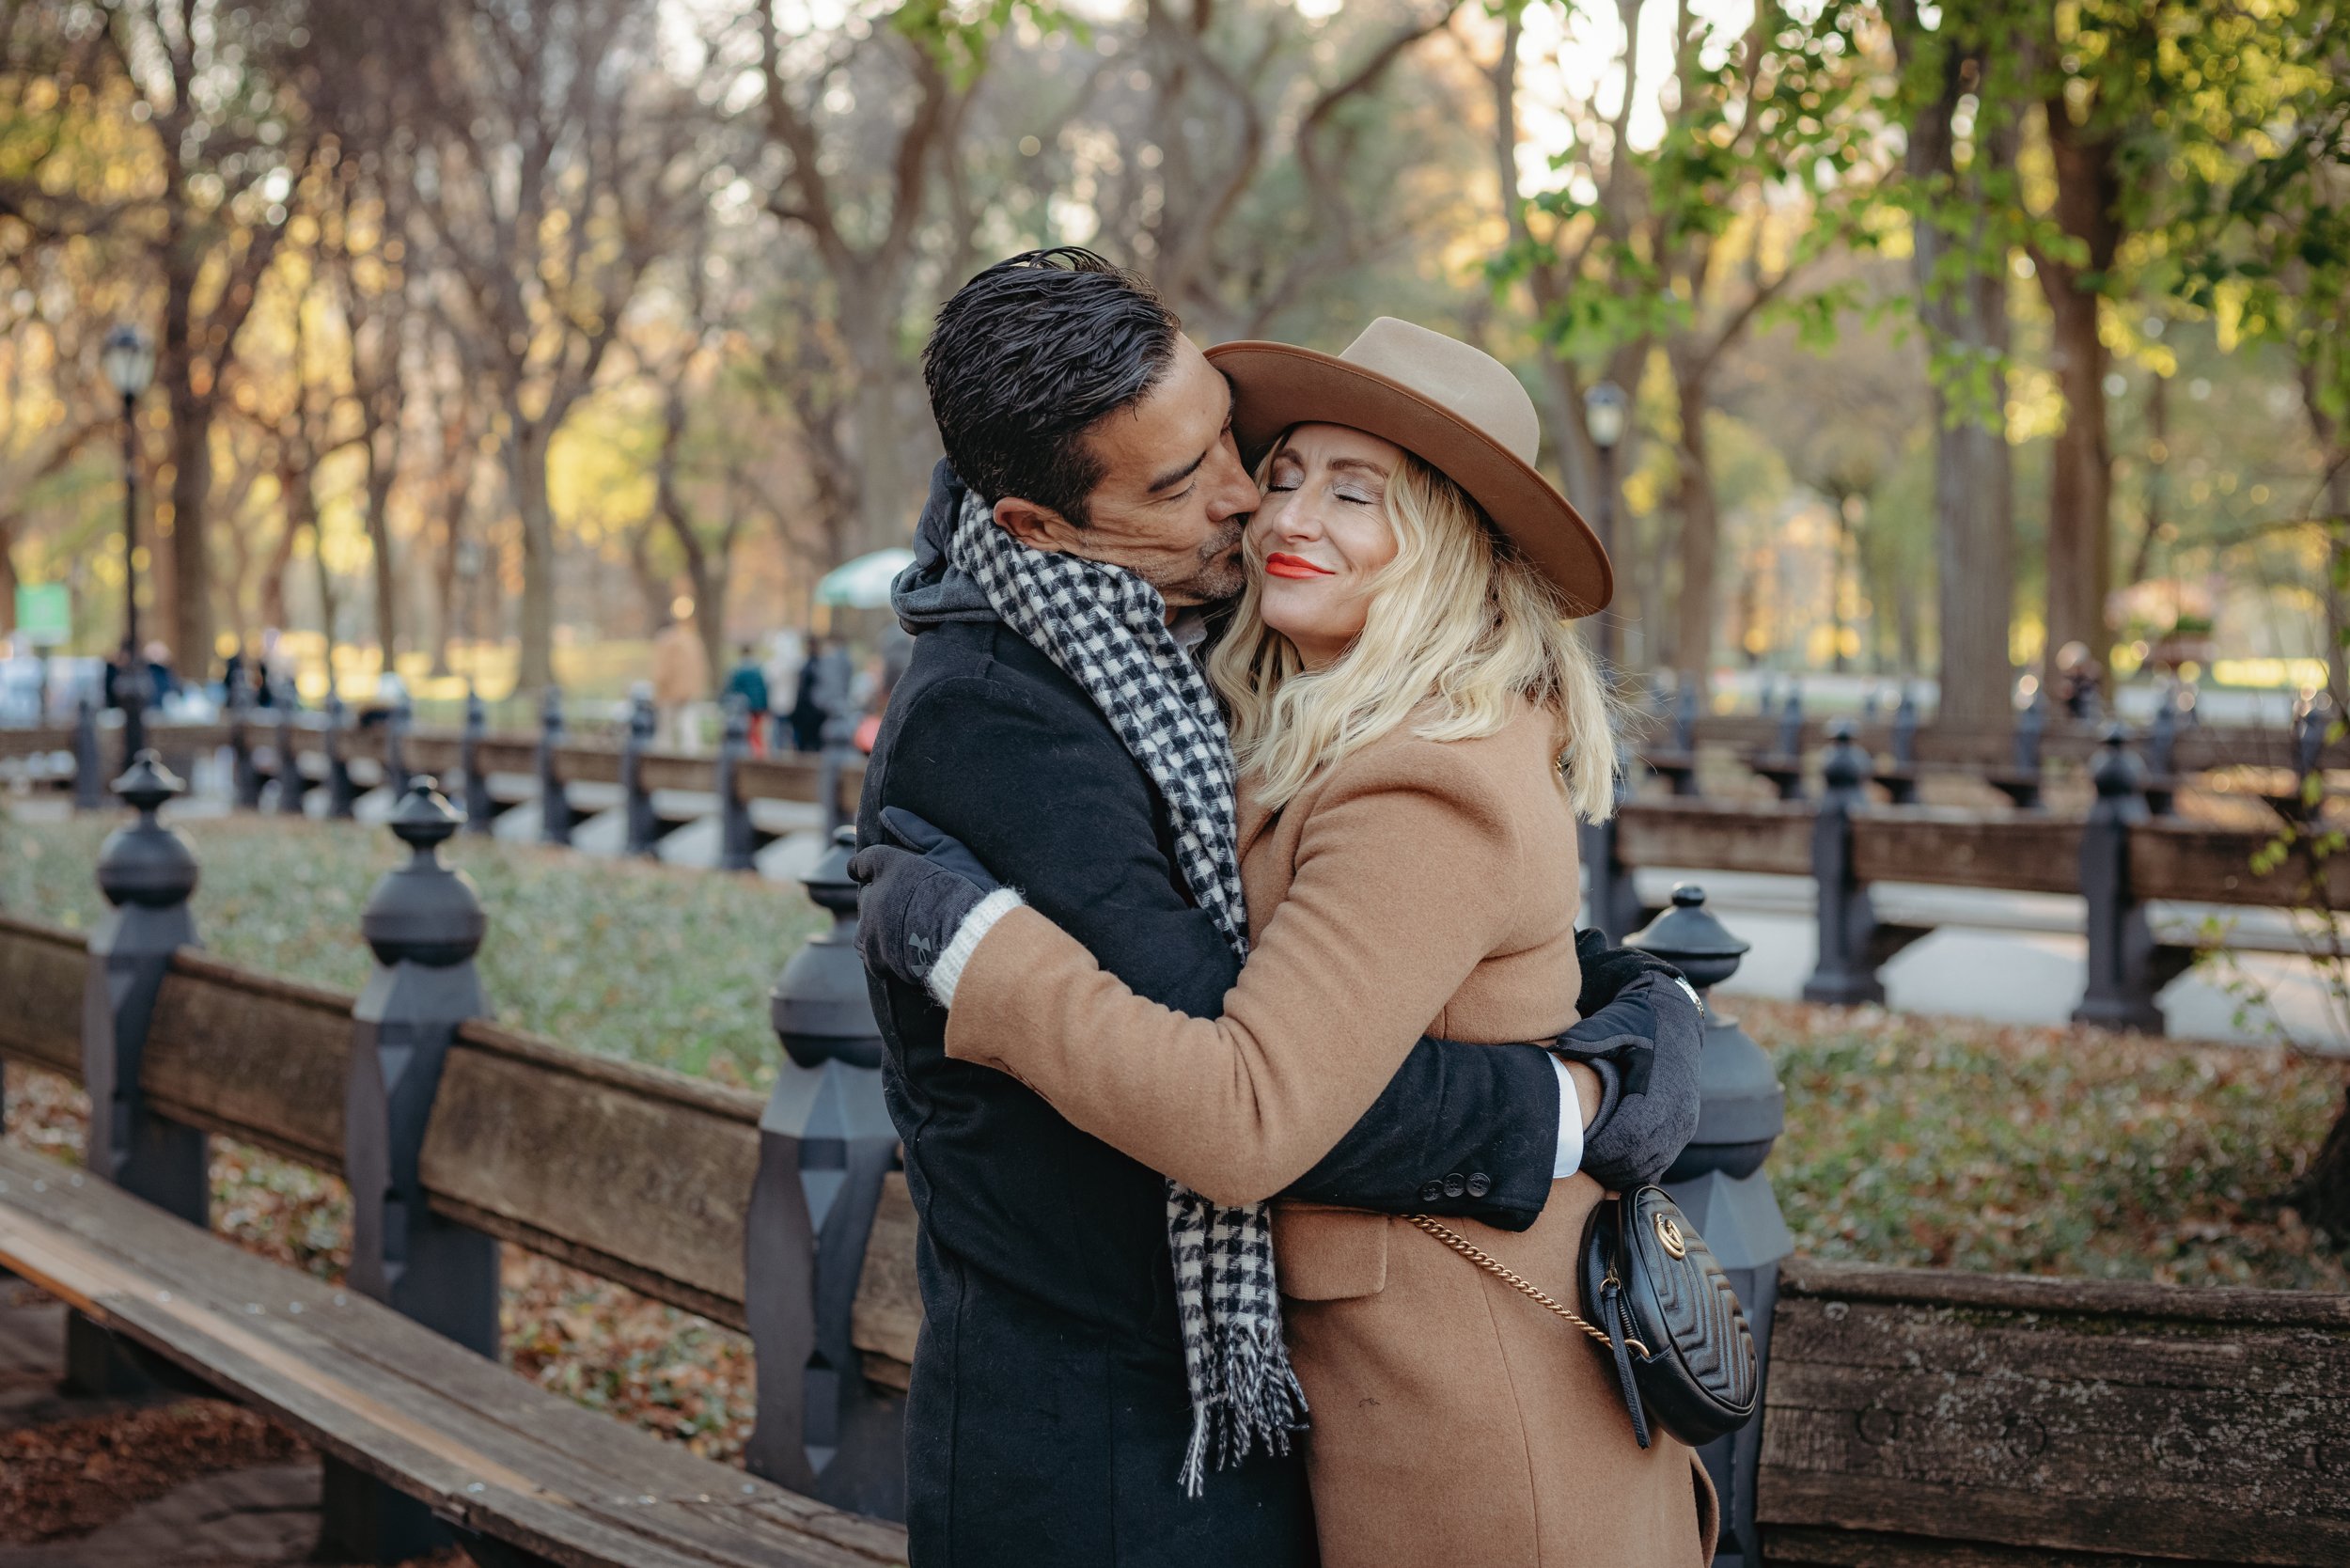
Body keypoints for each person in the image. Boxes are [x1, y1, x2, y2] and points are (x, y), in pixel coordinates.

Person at [846, 251, 1704, 1568]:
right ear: (1037, 524)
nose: (1256, 506)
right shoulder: (1016, 717)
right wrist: (1562, 1102)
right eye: (1256, 472)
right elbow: (1261, 1058)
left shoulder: (1360, 742)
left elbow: (1267, 1076)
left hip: (1450, 1421)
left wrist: (1598, 1018)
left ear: (1446, 550)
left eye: (1333, 485)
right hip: (1108, 1454)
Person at [650, 610, 707, 752]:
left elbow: (661, 671)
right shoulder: (691, 639)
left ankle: (663, 758)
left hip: (669, 692)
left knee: (665, 730)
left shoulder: (665, 641)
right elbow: (701, 666)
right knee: (689, 727)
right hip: (689, 691)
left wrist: (657, 690)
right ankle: (693, 756)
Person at [723, 643, 771, 753]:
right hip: (759, 705)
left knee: (748, 731)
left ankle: (751, 753)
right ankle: (759, 752)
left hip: (745, 707)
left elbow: (732, 689)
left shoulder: (738, 670)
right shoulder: (759, 669)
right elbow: (764, 688)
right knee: (758, 731)